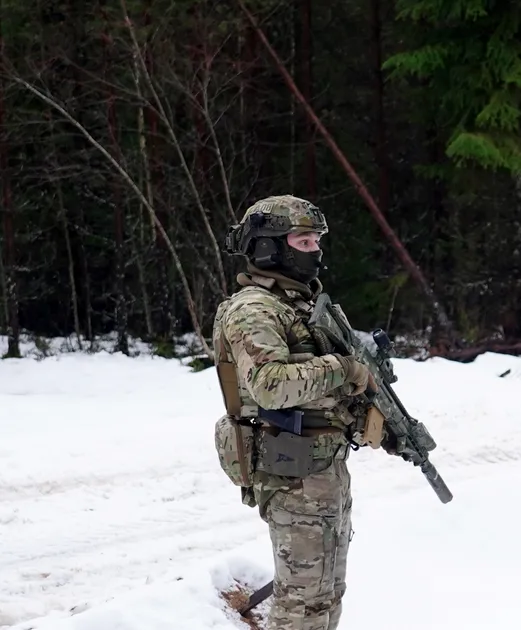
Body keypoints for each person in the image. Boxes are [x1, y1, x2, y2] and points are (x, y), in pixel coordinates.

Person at [212, 194, 373, 630]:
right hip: (291, 470)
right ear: (269, 248)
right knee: (302, 604)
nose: (315, 251)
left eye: (316, 241)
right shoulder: (254, 308)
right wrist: (343, 369)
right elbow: (270, 386)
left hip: (323, 467)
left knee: (326, 594)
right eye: (303, 241)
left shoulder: (301, 305)